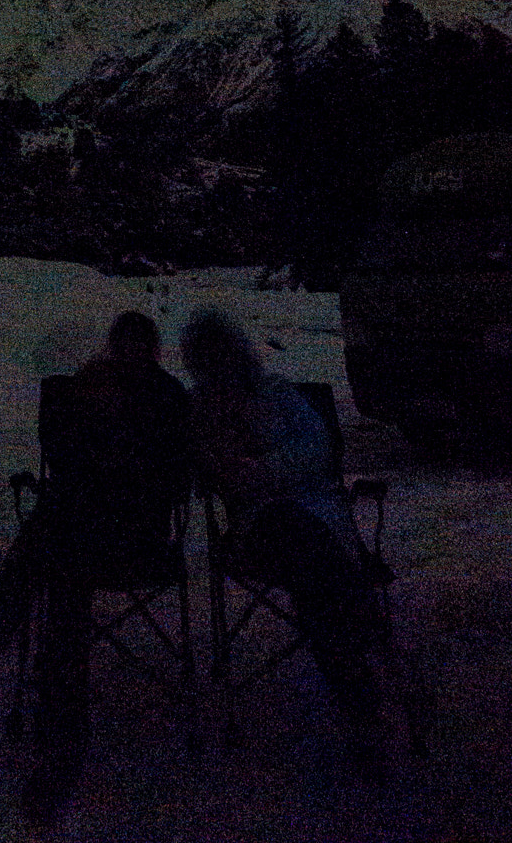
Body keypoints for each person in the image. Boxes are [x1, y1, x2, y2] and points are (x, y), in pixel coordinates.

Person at [0, 311, 191, 825]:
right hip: (79, 527)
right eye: (124, 345)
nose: (131, 355)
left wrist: (122, 461)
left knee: (55, 544)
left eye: (141, 345)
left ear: (154, 350)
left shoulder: (168, 399)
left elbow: (173, 477)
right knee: (58, 536)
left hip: (135, 538)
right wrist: (88, 417)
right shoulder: (88, 388)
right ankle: (57, 740)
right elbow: (66, 459)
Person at [179, 307, 388, 778]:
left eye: (224, 352)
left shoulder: (278, 393)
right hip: (260, 528)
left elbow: (320, 450)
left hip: (317, 519)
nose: (220, 363)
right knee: (312, 557)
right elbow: (213, 477)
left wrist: (263, 468)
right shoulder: (202, 411)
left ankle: (360, 701)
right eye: (208, 356)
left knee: (312, 565)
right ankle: (362, 682)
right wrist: (253, 469)